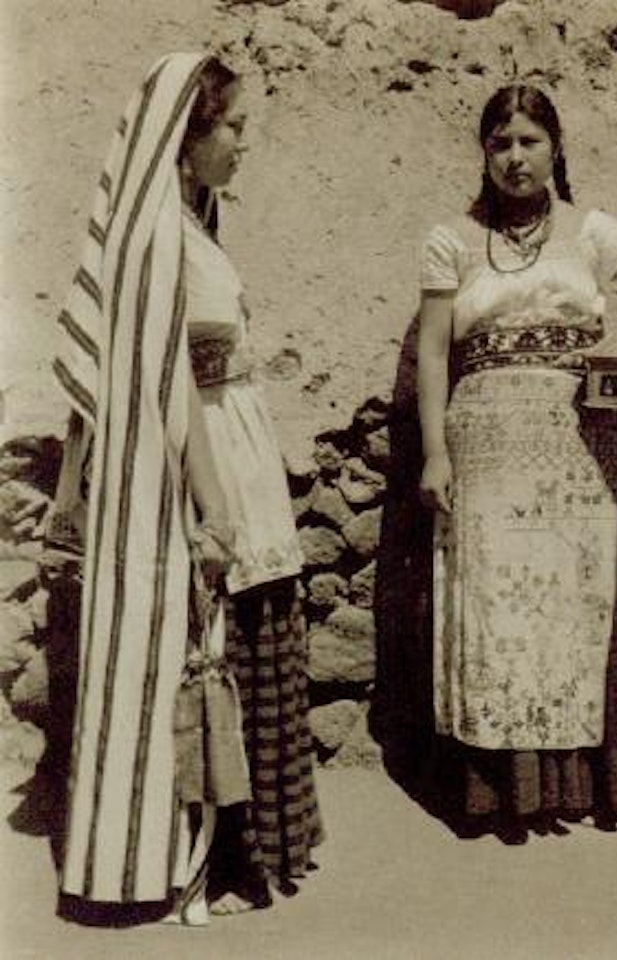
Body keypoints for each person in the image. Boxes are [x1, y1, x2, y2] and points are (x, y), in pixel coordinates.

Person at [50, 52, 322, 923]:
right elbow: (161, 388)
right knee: (210, 654)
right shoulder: (158, 235)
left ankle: (252, 854)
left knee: (245, 643)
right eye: (235, 128)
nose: (246, 145)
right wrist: (212, 505)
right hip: (199, 461)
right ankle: (206, 861)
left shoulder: (194, 223)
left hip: (237, 442)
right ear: (189, 135)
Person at [417, 84, 617, 842]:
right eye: (500, 143)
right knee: (495, 611)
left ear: (555, 148)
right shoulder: (450, 237)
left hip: (579, 450)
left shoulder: (592, 233)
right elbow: (434, 352)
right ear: (484, 153)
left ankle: (578, 785)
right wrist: (435, 453)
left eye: (528, 142)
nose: (514, 158)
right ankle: (499, 794)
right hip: (484, 448)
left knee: (575, 611)